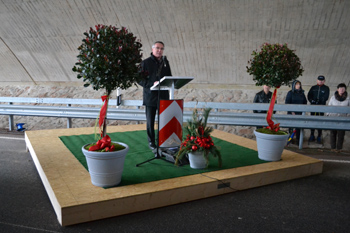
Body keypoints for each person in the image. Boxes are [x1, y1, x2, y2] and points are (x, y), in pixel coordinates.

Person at [138, 41, 172, 150]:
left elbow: (169, 77)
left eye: (161, 49)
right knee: (150, 121)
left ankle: (162, 141)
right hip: (150, 97)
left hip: (163, 96)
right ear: (152, 49)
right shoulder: (145, 63)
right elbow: (139, 79)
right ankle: (152, 142)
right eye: (157, 48)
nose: (159, 50)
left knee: (163, 121)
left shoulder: (165, 62)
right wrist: (150, 84)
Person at [326, 83, 349, 152]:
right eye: (340, 88)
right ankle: (333, 148)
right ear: (337, 89)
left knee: (341, 134)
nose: (342, 90)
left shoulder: (348, 98)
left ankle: (339, 148)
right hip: (333, 117)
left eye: (343, 89)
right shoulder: (333, 98)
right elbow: (329, 107)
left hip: (343, 118)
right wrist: (328, 115)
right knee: (333, 133)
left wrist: (347, 116)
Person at [307, 75, 330, 143]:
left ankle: (319, 136)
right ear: (317, 80)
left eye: (322, 80)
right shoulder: (313, 87)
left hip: (321, 107)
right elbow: (309, 95)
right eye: (319, 80)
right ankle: (312, 135)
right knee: (313, 120)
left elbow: (326, 96)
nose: (320, 81)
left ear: (324, 81)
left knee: (320, 121)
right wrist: (312, 101)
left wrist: (320, 101)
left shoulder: (326, 88)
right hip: (313, 107)